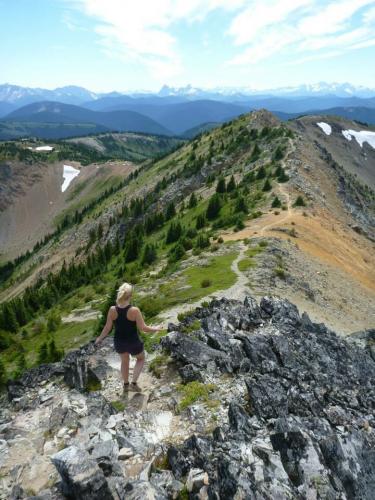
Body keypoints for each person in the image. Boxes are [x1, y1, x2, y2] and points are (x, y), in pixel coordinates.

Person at [95, 282, 161, 391]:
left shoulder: (112, 310)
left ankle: (125, 385)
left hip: (119, 342)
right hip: (133, 342)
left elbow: (107, 328)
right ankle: (134, 383)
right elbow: (143, 328)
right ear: (130, 296)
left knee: (124, 361)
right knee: (140, 358)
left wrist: (99, 338)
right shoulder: (134, 310)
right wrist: (156, 328)